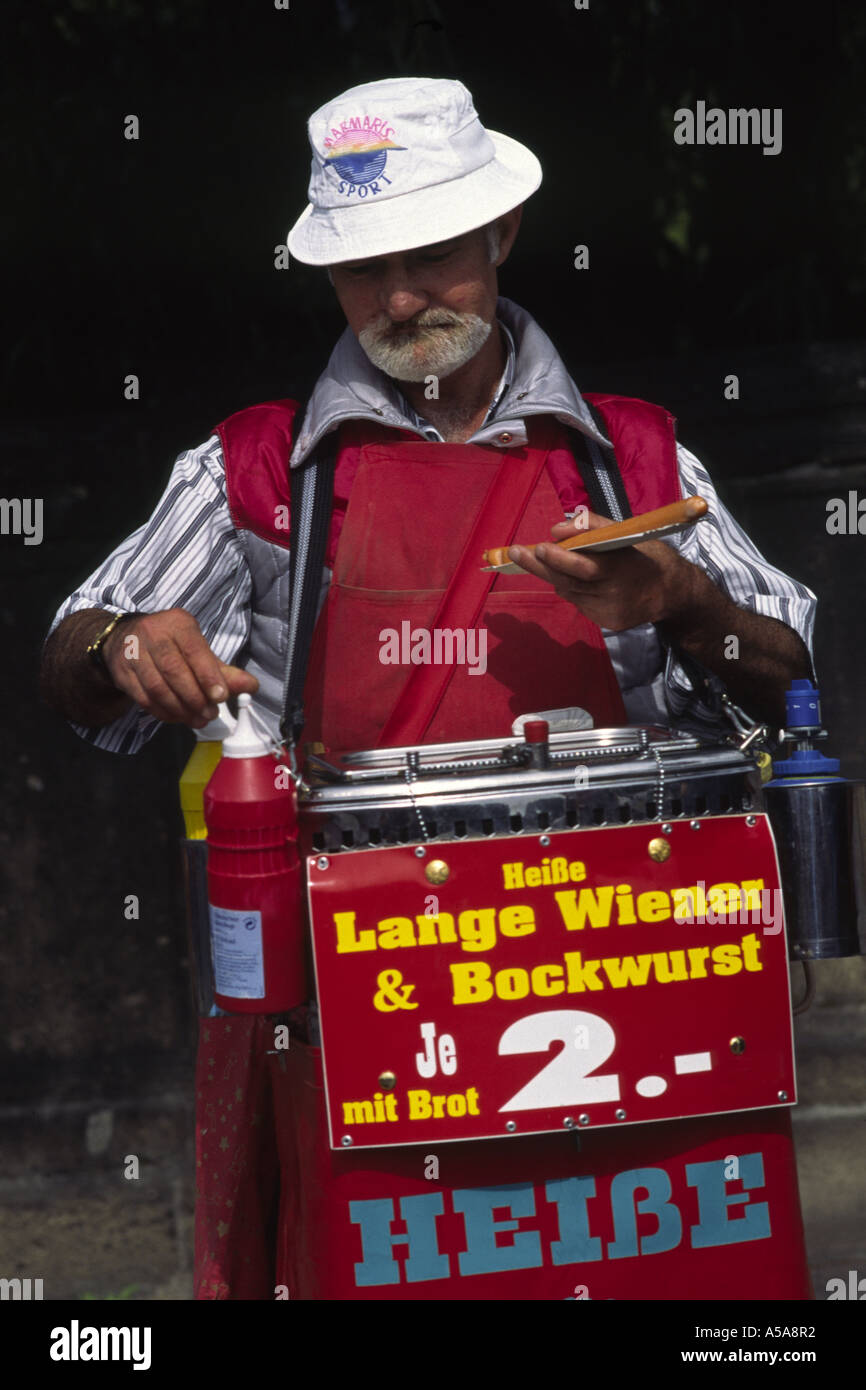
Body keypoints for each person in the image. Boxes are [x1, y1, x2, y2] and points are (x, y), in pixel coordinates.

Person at [40, 76, 816, 1299]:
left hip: (636, 977)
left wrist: (685, 603)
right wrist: (122, 647)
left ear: (501, 233)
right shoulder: (252, 469)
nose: (398, 300)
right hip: (368, 997)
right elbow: (73, 659)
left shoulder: (637, 457)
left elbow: (787, 683)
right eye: (361, 272)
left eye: (431, 257)